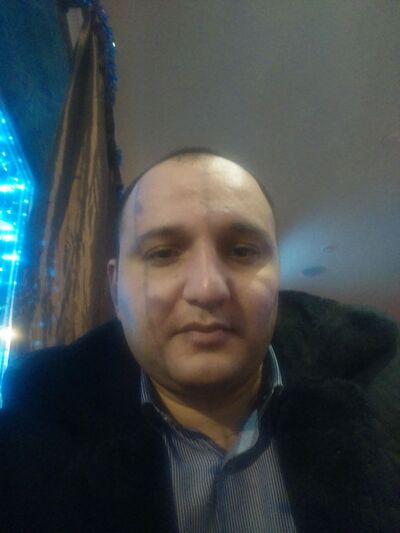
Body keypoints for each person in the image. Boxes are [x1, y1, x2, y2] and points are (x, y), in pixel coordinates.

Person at [0, 148, 399, 533]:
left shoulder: (380, 412)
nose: (207, 289)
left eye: (242, 251)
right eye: (163, 254)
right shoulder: (28, 448)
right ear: (115, 288)